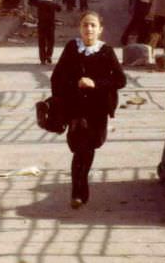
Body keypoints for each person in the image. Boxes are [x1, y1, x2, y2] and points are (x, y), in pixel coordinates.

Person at [51, 11, 126, 209]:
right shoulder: (71, 48)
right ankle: (78, 192)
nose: (89, 29)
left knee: (91, 146)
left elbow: (120, 80)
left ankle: (80, 186)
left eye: (93, 25)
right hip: (75, 109)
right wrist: (68, 91)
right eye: (85, 25)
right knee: (80, 149)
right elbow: (56, 78)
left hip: (98, 109)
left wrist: (95, 83)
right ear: (80, 28)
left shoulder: (106, 51)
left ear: (100, 30)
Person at [28, 0, 62, 64]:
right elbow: (59, 9)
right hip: (50, 25)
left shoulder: (39, 2)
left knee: (42, 42)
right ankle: (49, 55)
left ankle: (42, 59)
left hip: (41, 25)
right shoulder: (53, 3)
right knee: (50, 41)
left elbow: (29, 2)